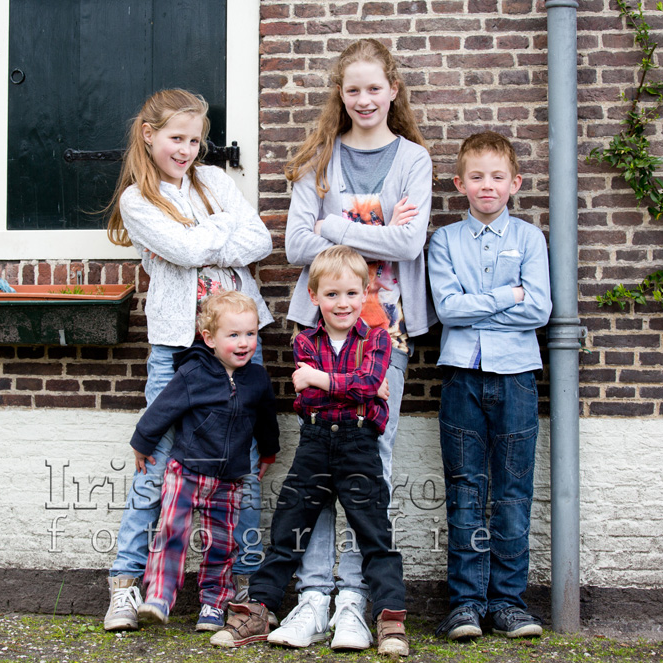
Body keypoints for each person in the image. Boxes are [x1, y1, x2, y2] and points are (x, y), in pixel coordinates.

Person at [278, 38, 434, 651]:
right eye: (353, 90)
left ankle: (355, 600)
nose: (364, 99)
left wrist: (334, 225)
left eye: (374, 88)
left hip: (384, 335)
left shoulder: (413, 160)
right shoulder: (320, 158)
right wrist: (379, 230)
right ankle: (314, 596)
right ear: (339, 95)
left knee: (372, 467)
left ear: (393, 90)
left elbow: (410, 243)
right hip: (321, 333)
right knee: (317, 466)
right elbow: (295, 245)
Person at [103, 88, 275, 632]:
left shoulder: (216, 182)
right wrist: (217, 232)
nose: (186, 149)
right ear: (149, 135)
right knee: (155, 465)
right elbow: (185, 251)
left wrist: (201, 237)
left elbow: (260, 240)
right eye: (176, 138)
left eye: (195, 140)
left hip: (238, 345)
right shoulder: (137, 201)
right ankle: (125, 584)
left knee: (243, 469)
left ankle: (243, 586)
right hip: (178, 349)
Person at [209, 246, 410, 657]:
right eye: (332, 294)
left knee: (374, 533)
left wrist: (323, 379)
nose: (343, 303)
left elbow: (364, 382)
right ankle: (259, 609)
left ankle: (389, 619)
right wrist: (359, 387)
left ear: (366, 293)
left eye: (351, 293)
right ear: (314, 296)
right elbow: (316, 397)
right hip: (315, 443)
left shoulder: (377, 338)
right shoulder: (304, 341)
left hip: (359, 445)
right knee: (288, 529)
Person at [427, 131, 551, 640]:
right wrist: (507, 296)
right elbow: (447, 310)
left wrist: (479, 306)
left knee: (513, 493)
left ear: (514, 183)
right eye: (476, 177)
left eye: (497, 177)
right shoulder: (444, 241)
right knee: (465, 490)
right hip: (462, 377)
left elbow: (538, 309)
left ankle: (508, 603)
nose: (487, 186)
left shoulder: (530, 239)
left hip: (517, 378)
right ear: (460, 184)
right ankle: (466, 604)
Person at [132, 291, 279, 630]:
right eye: (234, 335)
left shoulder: (257, 379)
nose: (244, 343)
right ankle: (158, 597)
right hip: (185, 472)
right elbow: (163, 409)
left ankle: (214, 604)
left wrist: (268, 451)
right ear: (210, 338)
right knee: (171, 533)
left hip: (229, 480)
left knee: (222, 545)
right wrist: (142, 442)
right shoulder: (194, 372)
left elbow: (266, 420)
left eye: (250, 334)